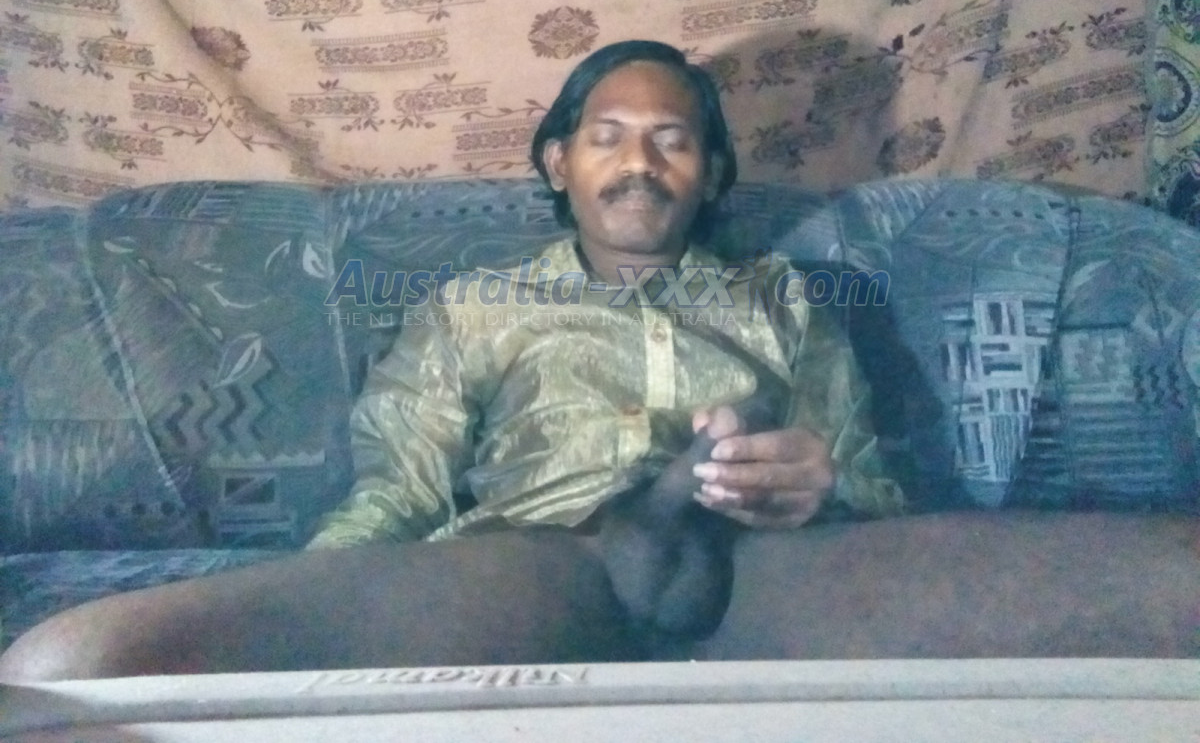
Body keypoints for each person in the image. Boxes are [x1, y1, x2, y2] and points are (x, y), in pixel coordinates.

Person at [0, 40, 902, 681]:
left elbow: (875, 496)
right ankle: (644, 524)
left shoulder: (784, 300)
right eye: (608, 136)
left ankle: (676, 514)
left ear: (711, 173)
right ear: (559, 163)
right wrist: (301, 596)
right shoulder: (475, 308)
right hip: (547, 571)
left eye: (672, 139)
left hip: (753, 570)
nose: (639, 162)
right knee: (78, 664)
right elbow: (397, 494)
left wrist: (821, 490)